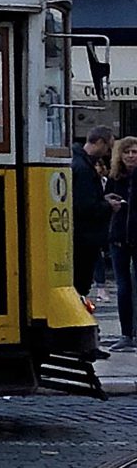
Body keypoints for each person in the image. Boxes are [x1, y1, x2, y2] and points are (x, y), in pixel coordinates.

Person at [72, 124, 115, 299]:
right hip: (85, 236)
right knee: (81, 283)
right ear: (99, 142)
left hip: (83, 235)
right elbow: (85, 206)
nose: (107, 152)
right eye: (107, 147)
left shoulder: (79, 163)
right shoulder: (83, 169)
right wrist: (108, 206)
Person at [108, 135, 137, 347]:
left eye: (134, 152)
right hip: (118, 238)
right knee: (123, 287)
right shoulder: (115, 178)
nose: (130, 156)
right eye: (126, 152)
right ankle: (127, 333)